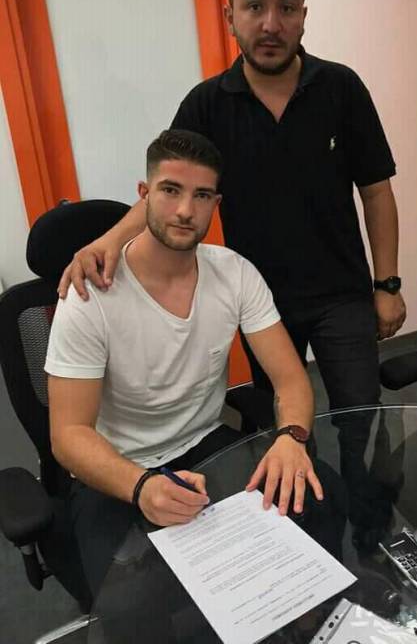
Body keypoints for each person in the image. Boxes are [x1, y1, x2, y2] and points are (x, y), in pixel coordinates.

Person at [59, 0, 406, 420]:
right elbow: (167, 192)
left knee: (360, 416)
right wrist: (108, 241)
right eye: (254, 5)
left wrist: (387, 283)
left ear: (303, 15)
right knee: (282, 414)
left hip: (342, 294)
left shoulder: (341, 89)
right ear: (230, 17)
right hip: (258, 297)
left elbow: (376, 192)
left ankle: (361, 472)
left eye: (287, 7)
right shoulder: (206, 105)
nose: (271, 24)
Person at [46, 129, 322, 596]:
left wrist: (291, 437)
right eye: (170, 190)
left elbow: (291, 380)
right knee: (129, 601)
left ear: (216, 203)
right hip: (118, 465)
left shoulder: (234, 273)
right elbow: (68, 434)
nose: (184, 210)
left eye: (201, 196)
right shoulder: (90, 296)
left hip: (206, 444)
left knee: (314, 508)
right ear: (144, 195)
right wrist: (141, 486)